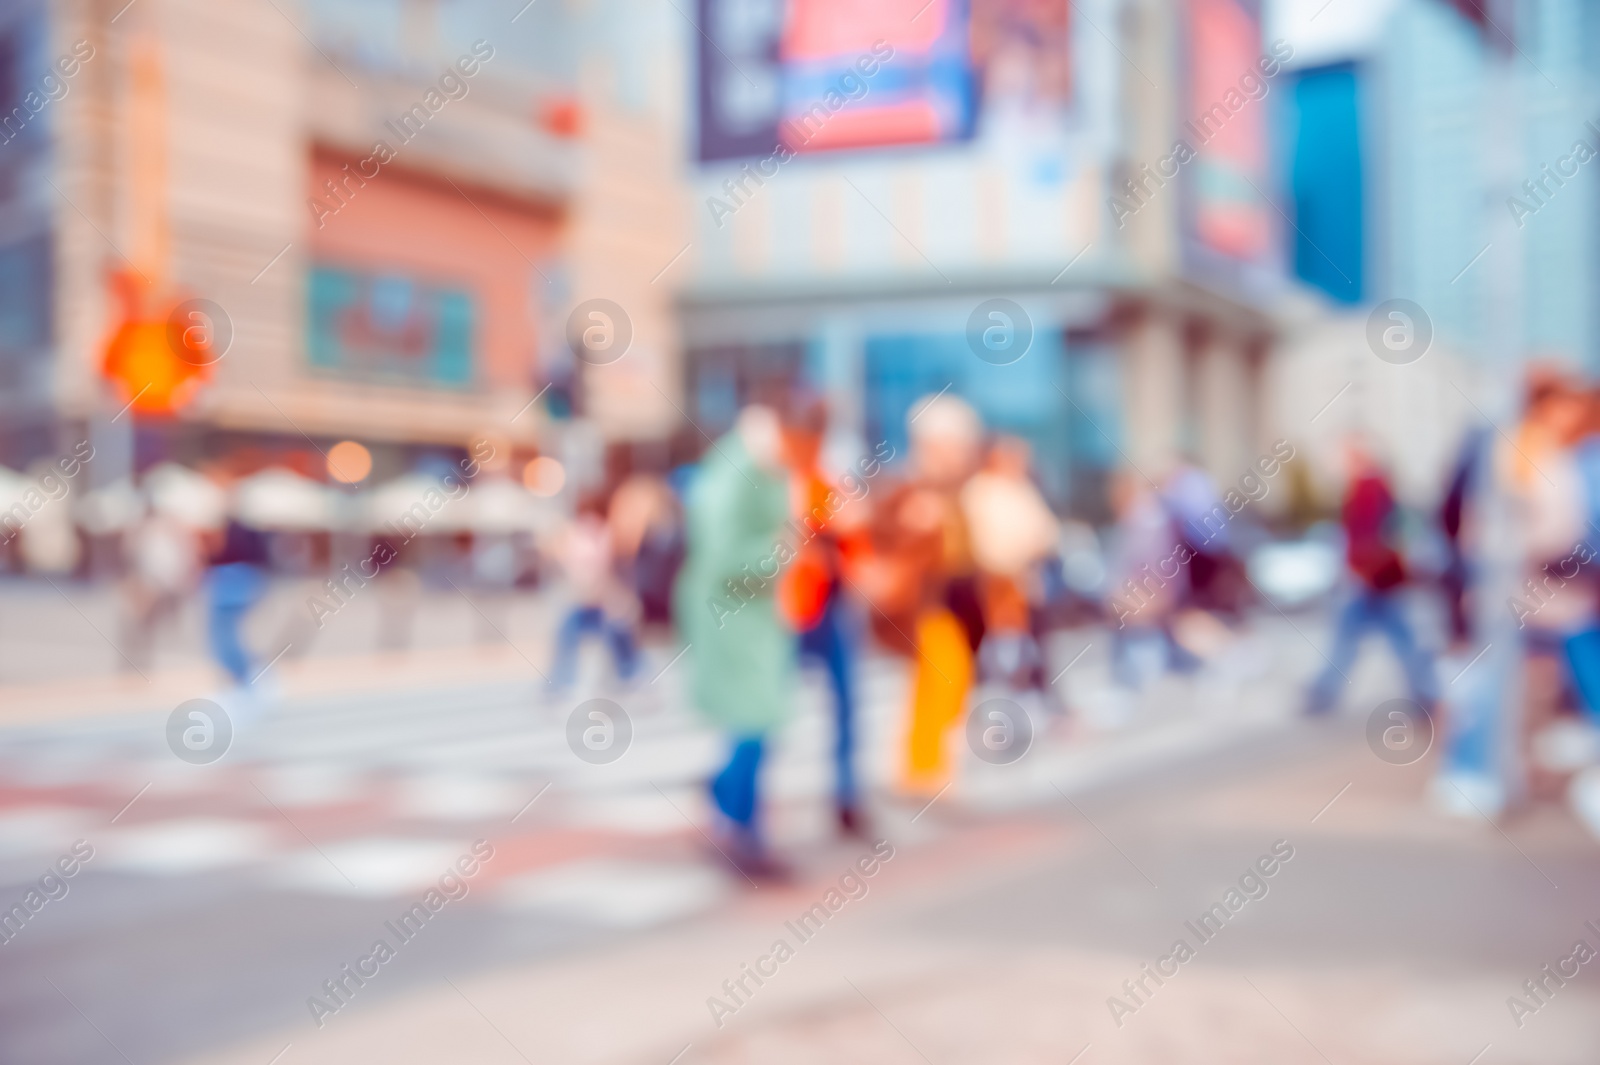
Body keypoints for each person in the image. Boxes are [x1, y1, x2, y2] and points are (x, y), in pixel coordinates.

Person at [674, 405, 795, 879]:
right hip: (733, 614)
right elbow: (726, 556)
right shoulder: (737, 472)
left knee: (754, 720)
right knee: (755, 718)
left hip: (745, 614)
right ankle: (740, 827)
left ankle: (731, 809)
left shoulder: (735, 467)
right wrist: (783, 549)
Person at [858, 395, 982, 799]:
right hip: (926, 606)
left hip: (956, 603)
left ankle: (927, 767)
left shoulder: (955, 490)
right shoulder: (910, 490)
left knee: (947, 684)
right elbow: (877, 540)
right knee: (941, 679)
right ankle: (922, 770)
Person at [777, 393, 870, 836]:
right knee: (769, 706)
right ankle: (736, 789)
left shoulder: (825, 481)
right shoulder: (780, 484)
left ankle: (847, 796)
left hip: (832, 604)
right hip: (792, 608)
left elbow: (854, 535)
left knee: (847, 703)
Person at [1306, 439, 1436, 715]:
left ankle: (1323, 693)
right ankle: (1426, 692)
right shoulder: (1380, 485)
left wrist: (1360, 569)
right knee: (1397, 639)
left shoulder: (1368, 487)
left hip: (1372, 579)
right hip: (1381, 578)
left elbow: (1367, 535)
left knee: (1351, 639)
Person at [961, 435, 1059, 707]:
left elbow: (1047, 533)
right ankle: (1005, 699)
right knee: (1003, 646)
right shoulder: (980, 491)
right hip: (999, 582)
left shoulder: (1022, 488)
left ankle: (1038, 699)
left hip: (1031, 577)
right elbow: (986, 545)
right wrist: (1011, 563)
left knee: (1036, 644)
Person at [548, 491, 638, 691]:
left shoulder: (604, 535)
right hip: (584, 601)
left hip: (604, 602)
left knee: (617, 635)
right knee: (567, 636)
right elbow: (572, 567)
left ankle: (629, 675)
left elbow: (605, 569)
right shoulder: (577, 536)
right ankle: (559, 683)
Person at [206, 514, 271, 689]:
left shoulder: (232, 540)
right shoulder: (248, 537)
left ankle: (246, 676)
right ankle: (248, 675)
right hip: (239, 584)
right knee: (230, 636)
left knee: (226, 637)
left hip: (229, 587)